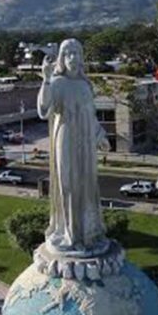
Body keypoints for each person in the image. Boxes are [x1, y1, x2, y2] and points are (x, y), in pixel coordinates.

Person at [37, 38, 110, 255]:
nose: (73, 58)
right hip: (66, 138)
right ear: (61, 57)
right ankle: (69, 233)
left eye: (77, 53)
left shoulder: (85, 85)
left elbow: (92, 115)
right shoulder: (57, 83)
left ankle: (87, 233)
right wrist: (46, 80)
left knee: (86, 183)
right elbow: (43, 109)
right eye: (68, 53)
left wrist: (100, 136)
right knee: (67, 184)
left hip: (86, 140)